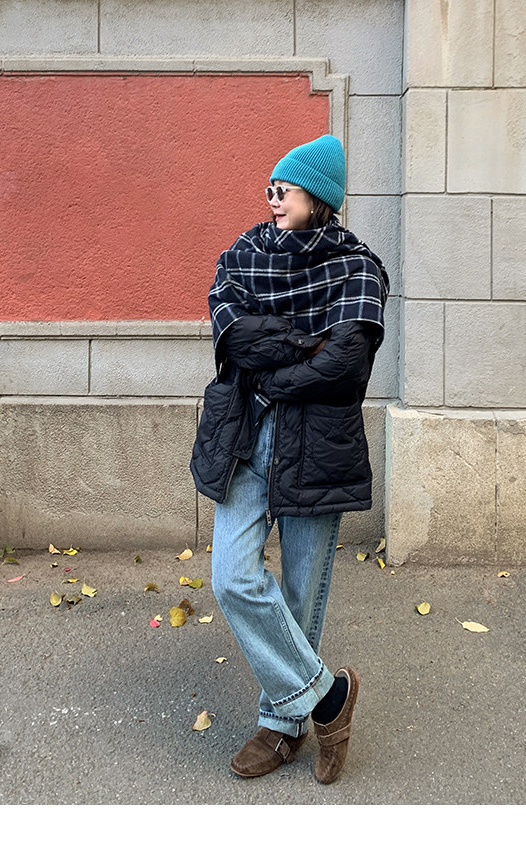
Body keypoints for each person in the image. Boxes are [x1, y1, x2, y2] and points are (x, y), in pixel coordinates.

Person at [190, 134, 389, 784]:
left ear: (320, 199)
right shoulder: (246, 253)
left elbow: (346, 362)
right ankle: (329, 698)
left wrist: (278, 368)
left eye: (287, 190)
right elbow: (233, 333)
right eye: (270, 189)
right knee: (231, 577)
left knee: (302, 596)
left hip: (317, 445)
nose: (273, 200)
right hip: (245, 436)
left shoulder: (358, 268)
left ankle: (281, 726)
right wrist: (304, 344)